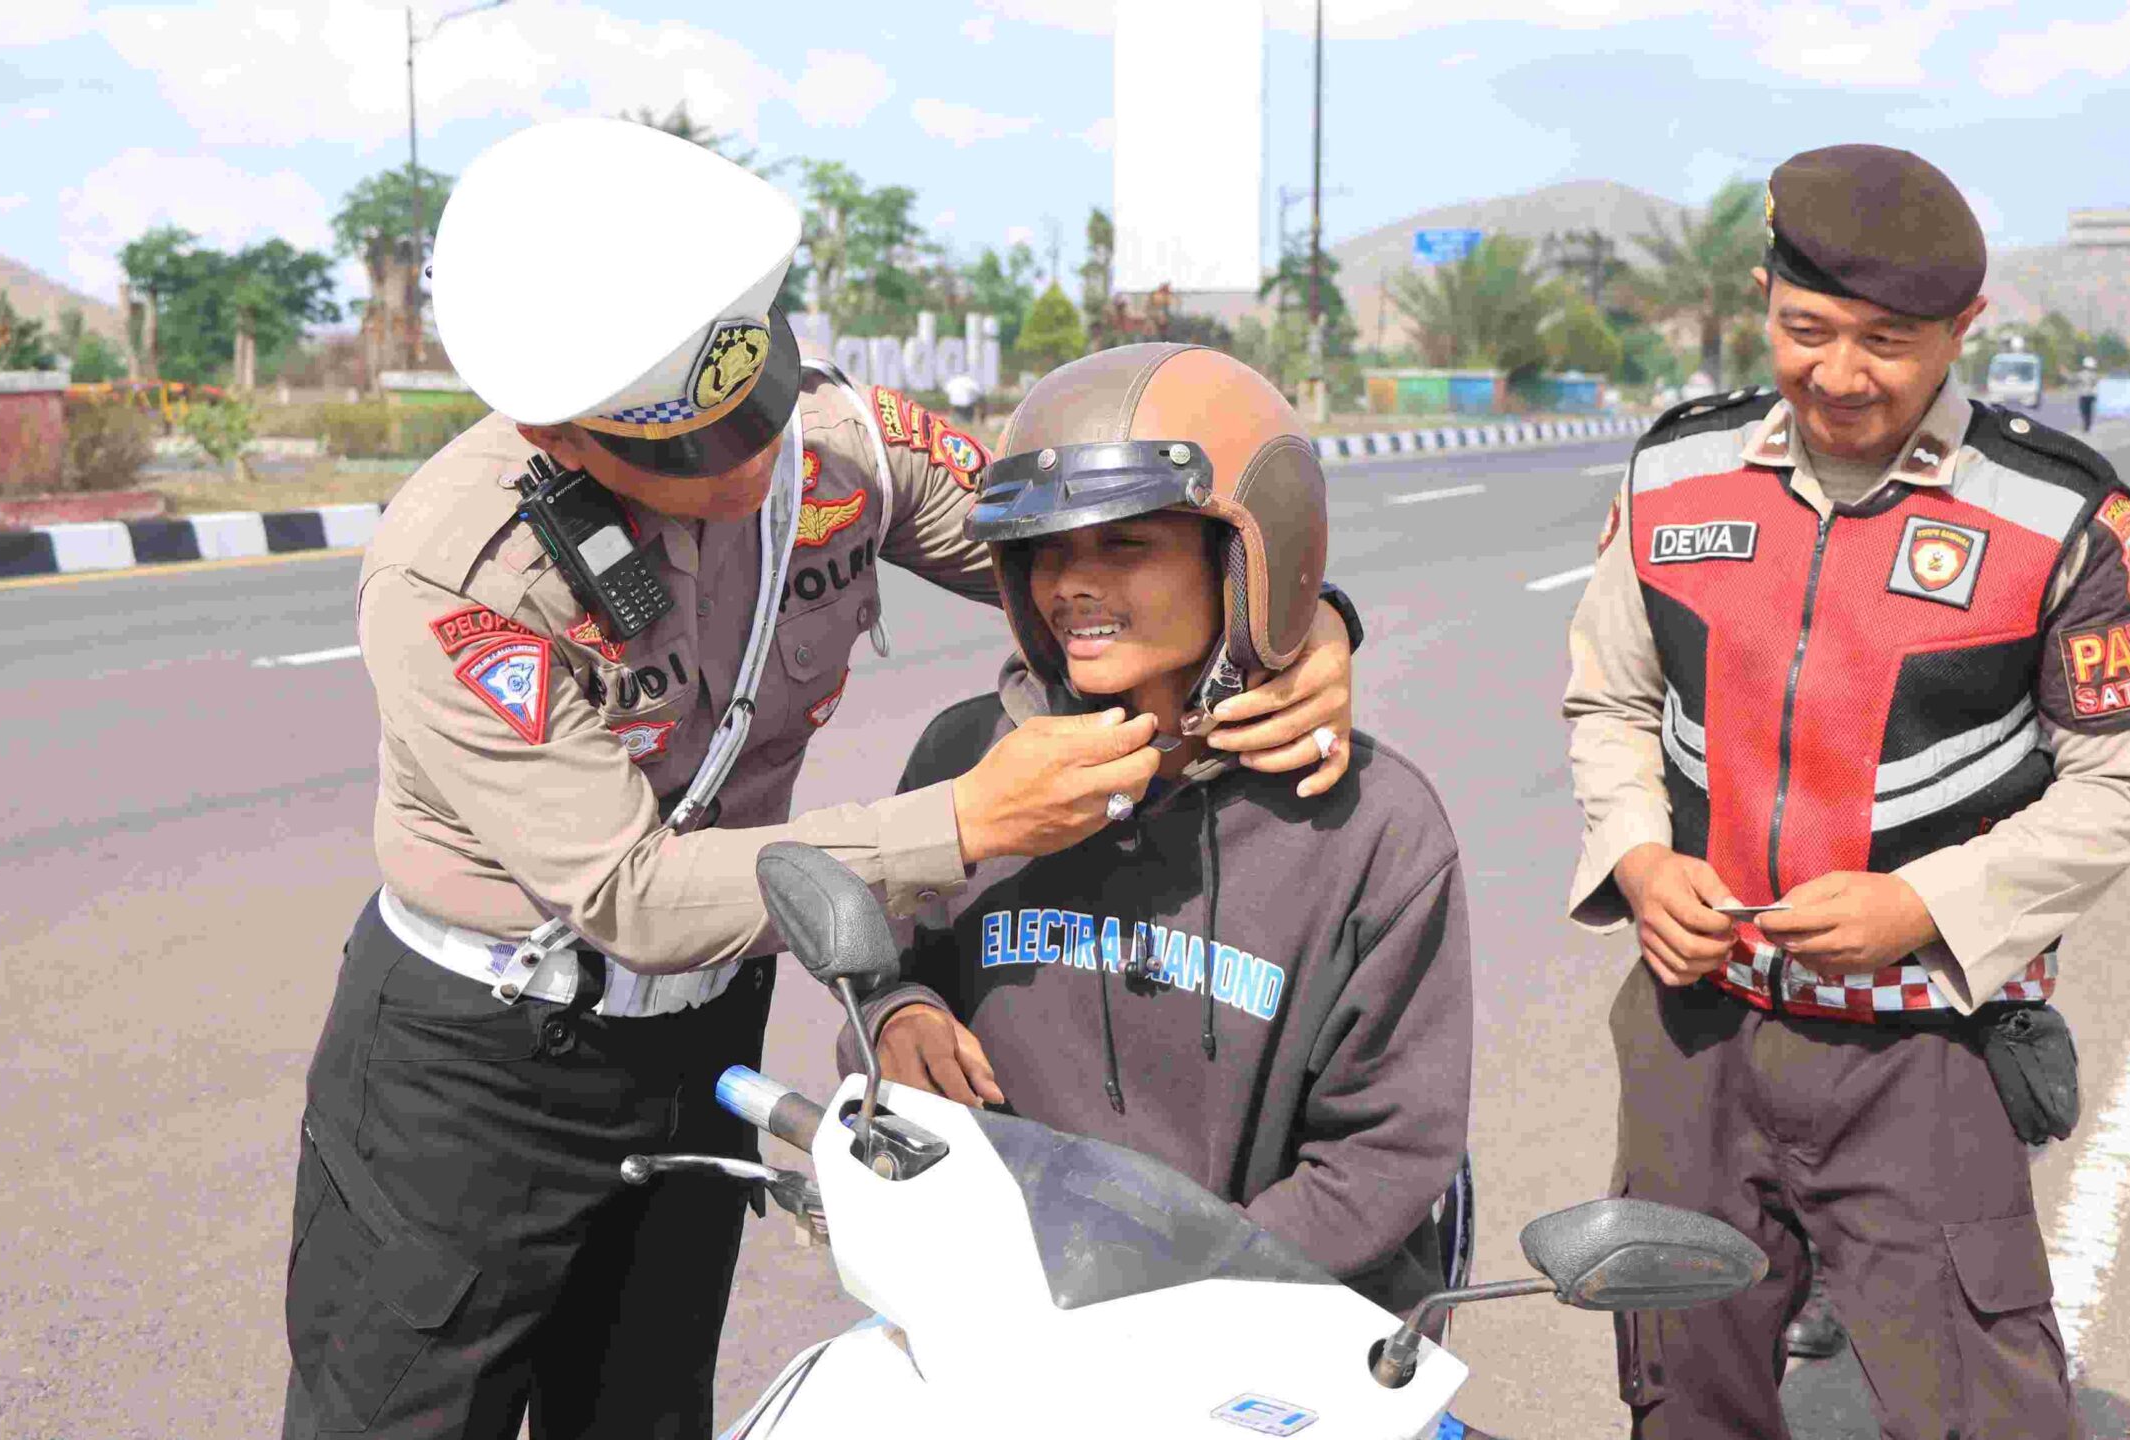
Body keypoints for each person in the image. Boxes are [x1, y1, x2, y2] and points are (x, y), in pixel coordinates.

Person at [279, 118, 1371, 1440]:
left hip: (697, 1042)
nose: (747, 466)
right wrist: (971, 818)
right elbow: (633, 894)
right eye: (685, 454)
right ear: (556, 430)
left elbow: (1116, 560)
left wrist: (1304, 626)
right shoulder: (466, 578)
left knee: (643, 1411)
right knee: (405, 1414)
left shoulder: (842, 450)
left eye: (758, 410)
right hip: (476, 1065)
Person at [1563, 143, 2130, 1437]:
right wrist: (1636, 856)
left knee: (1979, 1403)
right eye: (1807, 330)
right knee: (1685, 1388)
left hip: (1927, 1049)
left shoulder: (2062, 511)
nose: (1840, 375)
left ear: (1965, 331)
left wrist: (1924, 905)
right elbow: (1614, 703)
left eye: (1889, 342)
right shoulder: (1673, 471)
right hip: (1697, 1035)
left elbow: (2125, 784)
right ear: (1762, 299)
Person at [846, 344, 1475, 1321]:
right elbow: (886, 962)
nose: (1071, 586)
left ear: (1247, 555)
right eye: (1048, 551)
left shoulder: (1369, 820)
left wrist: (1179, 1295)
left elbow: (1384, 1152)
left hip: (1264, 1321)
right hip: (1007, 1310)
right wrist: (897, 1014)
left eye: (1125, 545)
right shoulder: (973, 759)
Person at [2076, 355, 2098, 433]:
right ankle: (2087, 426)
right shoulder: (2094, 374)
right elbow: (2095, 384)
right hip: (2091, 395)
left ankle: (2086, 426)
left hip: (2084, 395)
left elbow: (2074, 380)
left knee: (2084, 411)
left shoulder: (2081, 374)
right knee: (2089, 411)